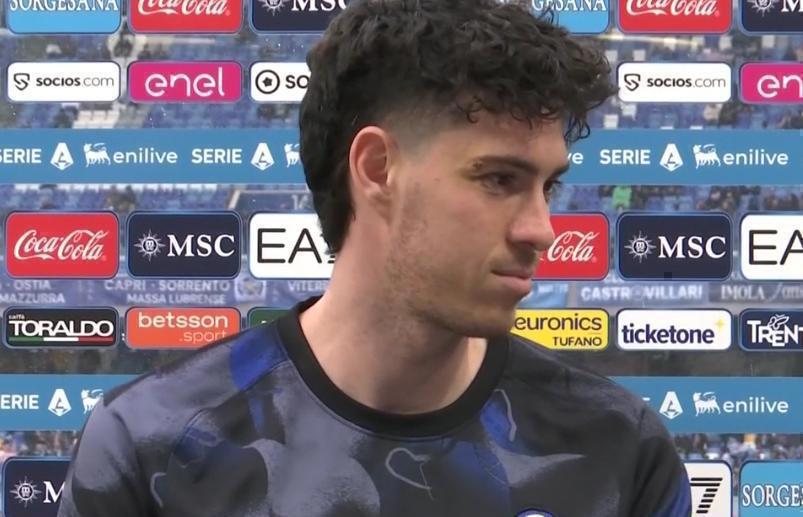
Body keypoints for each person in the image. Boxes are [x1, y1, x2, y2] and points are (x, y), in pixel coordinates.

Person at [57, 1, 691, 516]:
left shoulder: (621, 451)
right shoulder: (149, 447)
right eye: (499, 179)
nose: (541, 230)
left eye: (547, 187)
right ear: (377, 169)